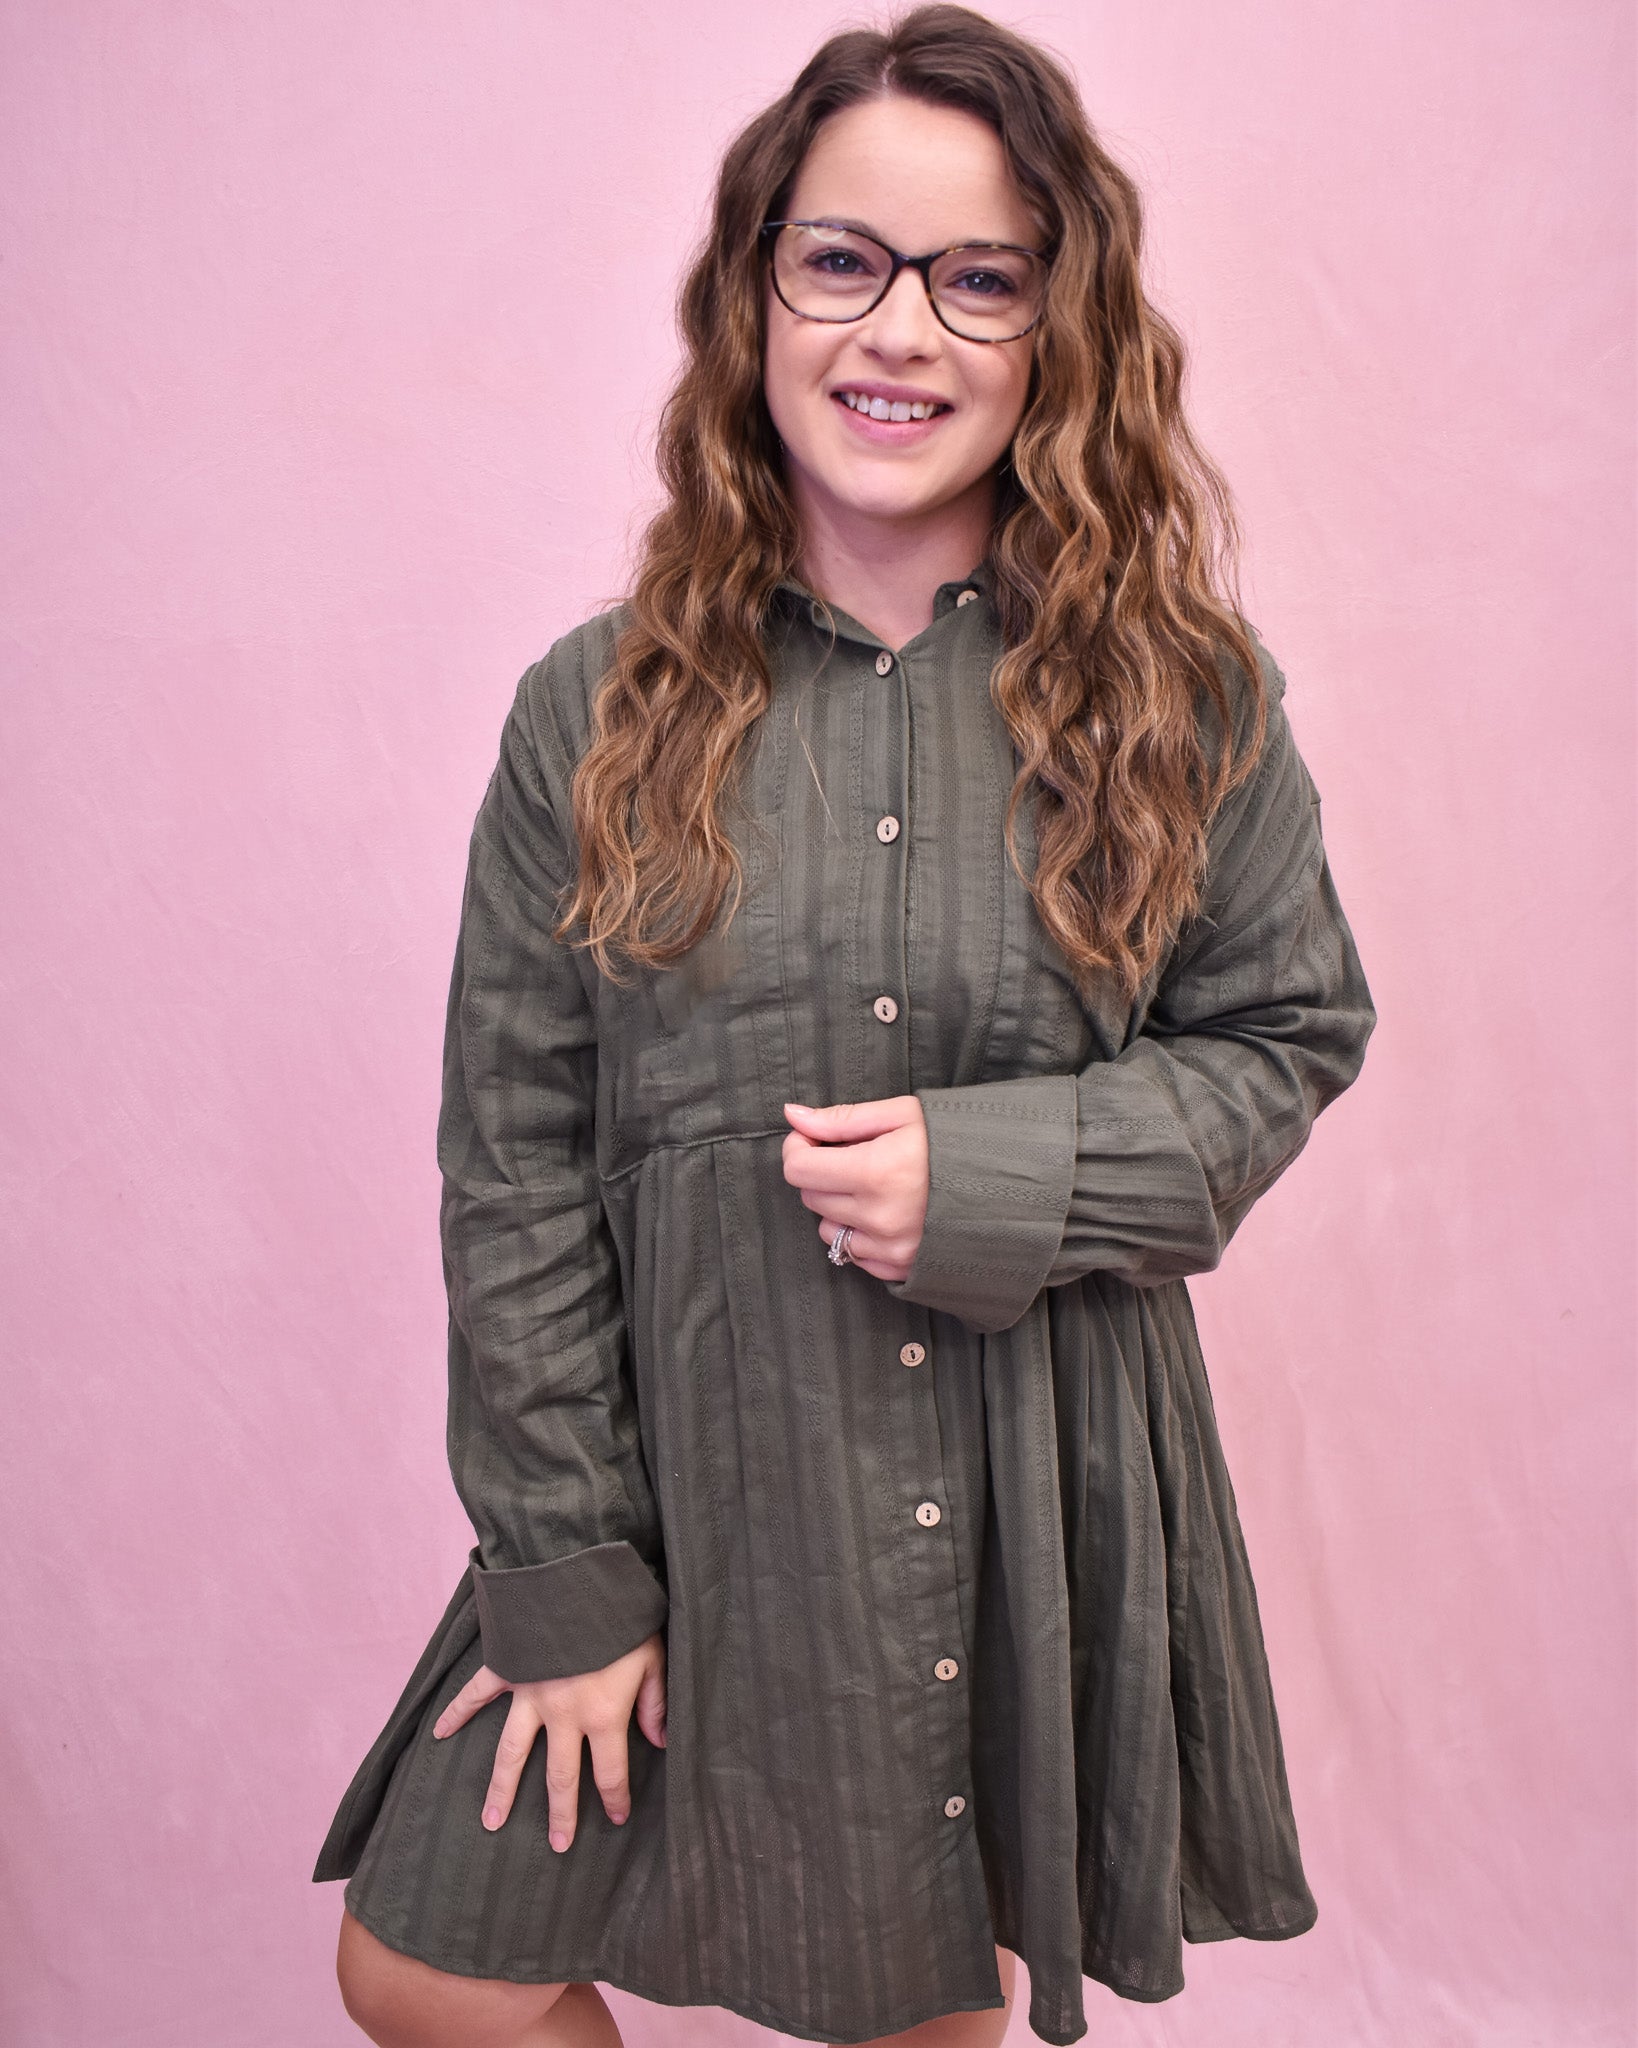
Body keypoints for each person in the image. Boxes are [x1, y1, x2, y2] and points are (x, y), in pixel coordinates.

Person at [313, 8, 1378, 2045]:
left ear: (1058, 329)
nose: (903, 331)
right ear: (758, 289)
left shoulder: (1187, 697)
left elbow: (1287, 1033)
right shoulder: (593, 706)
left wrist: (997, 1172)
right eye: (845, 261)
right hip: (693, 1476)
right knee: (430, 1956)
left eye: (980, 278)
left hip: (1020, 1472)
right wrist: (566, 1568)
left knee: (911, 2008)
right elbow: (515, 1156)